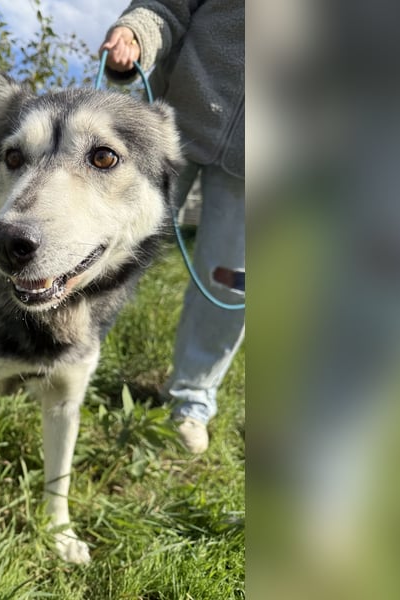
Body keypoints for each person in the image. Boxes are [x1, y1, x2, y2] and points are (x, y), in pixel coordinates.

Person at [100, 0, 245, 453]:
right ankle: (57, 358)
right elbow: (162, 8)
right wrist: (135, 38)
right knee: (111, 249)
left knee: (232, 284)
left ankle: (192, 400)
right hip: (169, 130)